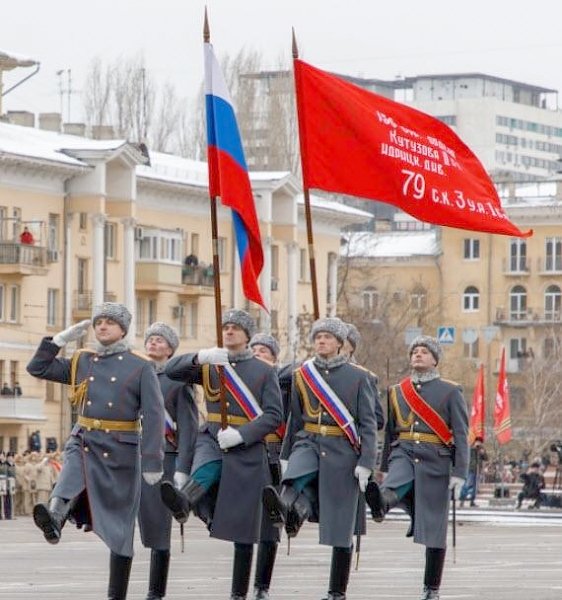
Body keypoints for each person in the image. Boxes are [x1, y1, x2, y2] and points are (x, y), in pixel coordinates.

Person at [27, 302, 165, 600]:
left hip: (122, 450)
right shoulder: (83, 360)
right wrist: (58, 341)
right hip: (86, 436)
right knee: (70, 476)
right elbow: (38, 368)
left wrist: (153, 460)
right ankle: (54, 520)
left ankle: (117, 594)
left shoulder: (140, 366)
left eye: (109, 322)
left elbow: (154, 415)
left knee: (120, 530)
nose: (102, 326)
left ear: (123, 329)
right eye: (98, 322)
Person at [160, 309, 283, 600]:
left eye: (235, 328)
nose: (228, 332)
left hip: (247, 447)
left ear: (246, 336)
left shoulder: (264, 371)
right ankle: (184, 501)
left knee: (244, 528)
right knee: (207, 466)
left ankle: (240, 593)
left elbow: (274, 415)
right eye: (225, 327)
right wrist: (199, 356)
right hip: (213, 436)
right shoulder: (213, 364)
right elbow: (171, 370)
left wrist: (243, 434)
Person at [262, 317, 378, 600]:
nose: (321, 341)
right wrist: (286, 456)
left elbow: (368, 424)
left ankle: (337, 591)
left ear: (340, 343)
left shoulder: (359, 376)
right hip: (309, 440)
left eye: (327, 337)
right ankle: (282, 508)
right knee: (295, 476)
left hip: (344, 450)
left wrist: (366, 462)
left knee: (341, 526)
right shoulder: (303, 374)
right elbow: (295, 419)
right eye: (317, 337)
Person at [365, 335, 469, 600]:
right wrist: (383, 466)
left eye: (424, 352)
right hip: (405, 450)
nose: (418, 355)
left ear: (435, 359)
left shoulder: (450, 390)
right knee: (395, 481)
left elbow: (460, 434)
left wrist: (459, 473)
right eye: (415, 351)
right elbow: (390, 433)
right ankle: (380, 504)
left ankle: (431, 588)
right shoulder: (397, 390)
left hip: (437, 458)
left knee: (434, 526)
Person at [139, 322, 198, 600]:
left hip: (167, 459)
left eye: (160, 340)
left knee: (159, 528)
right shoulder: (136, 375)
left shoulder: (177, 383)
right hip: (134, 457)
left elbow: (188, 428)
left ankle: (155, 591)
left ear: (171, 349)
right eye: (150, 339)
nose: (153, 343)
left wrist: (183, 470)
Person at [248, 332, 286, 600]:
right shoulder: (239, 379)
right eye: (255, 349)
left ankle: (262, 584)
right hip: (245, 451)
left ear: (274, 358)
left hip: (273, 452)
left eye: (264, 350)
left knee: (269, 526)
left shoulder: (284, 380)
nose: (258, 353)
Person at [459, 437, 488, 508]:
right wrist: (474, 448)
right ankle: (462, 500)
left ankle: (472, 501)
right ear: (475, 442)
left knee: (475, 488)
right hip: (470, 469)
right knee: (466, 485)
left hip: (478, 470)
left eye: (481, 442)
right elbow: (467, 455)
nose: (479, 443)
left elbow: (486, 458)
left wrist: (483, 453)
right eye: (478, 441)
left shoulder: (481, 449)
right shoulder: (470, 448)